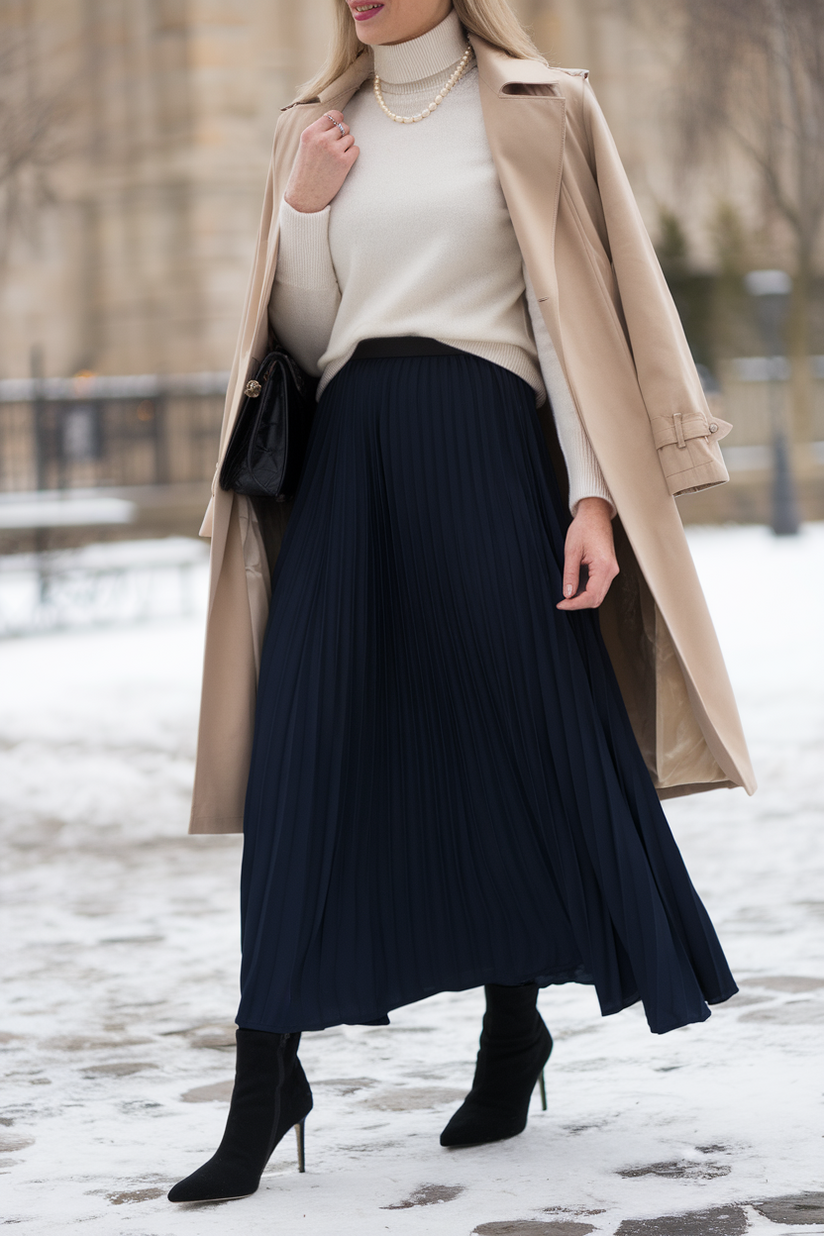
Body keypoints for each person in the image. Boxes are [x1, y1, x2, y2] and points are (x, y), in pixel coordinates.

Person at [168, 0, 756, 1205]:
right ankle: (265, 1074)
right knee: (305, 759)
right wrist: (305, 210)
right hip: (352, 461)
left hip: (493, 449)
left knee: (515, 736)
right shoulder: (316, 127)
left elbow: (570, 318)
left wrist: (591, 503)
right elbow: (314, 337)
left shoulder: (543, 107)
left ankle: (512, 1026)